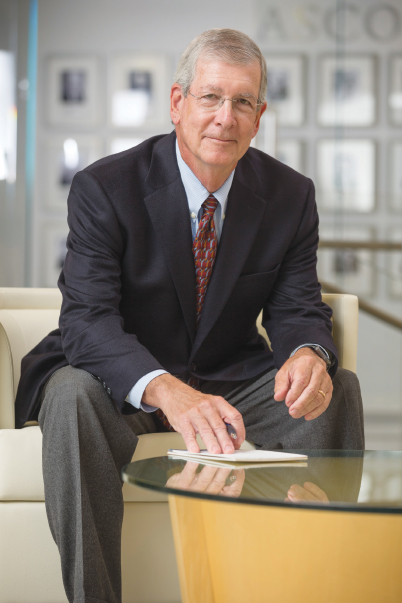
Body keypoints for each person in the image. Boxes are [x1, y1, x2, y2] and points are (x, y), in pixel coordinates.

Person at [15, 29, 364, 603]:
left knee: (337, 388)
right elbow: (87, 320)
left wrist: (309, 353)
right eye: (210, 97)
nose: (226, 117)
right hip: (118, 385)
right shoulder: (106, 187)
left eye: (243, 101)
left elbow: (298, 307)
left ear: (259, 117)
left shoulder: (290, 195)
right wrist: (167, 391)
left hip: (229, 380)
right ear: (177, 103)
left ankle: (315, 584)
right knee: (71, 394)